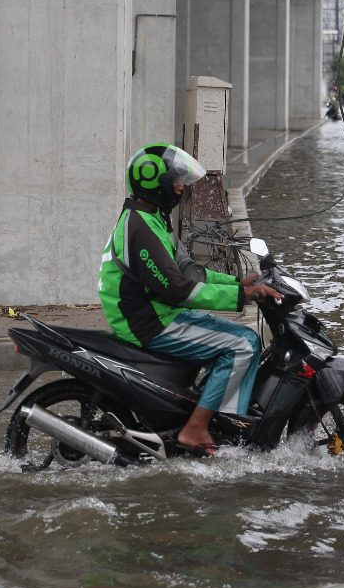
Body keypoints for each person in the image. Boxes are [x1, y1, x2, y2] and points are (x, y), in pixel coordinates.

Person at [98, 143, 282, 455]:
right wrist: (241, 294)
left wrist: (237, 282)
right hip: (149, 321)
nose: (181, 187)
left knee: (237, 337)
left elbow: (188, 272)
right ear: (155, 183)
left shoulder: (151, 217)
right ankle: (195, 428)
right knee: (242, 343)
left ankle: (208, 415)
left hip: (154, 311)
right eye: (176, 181)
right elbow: (178, 289)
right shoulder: (141, 227)